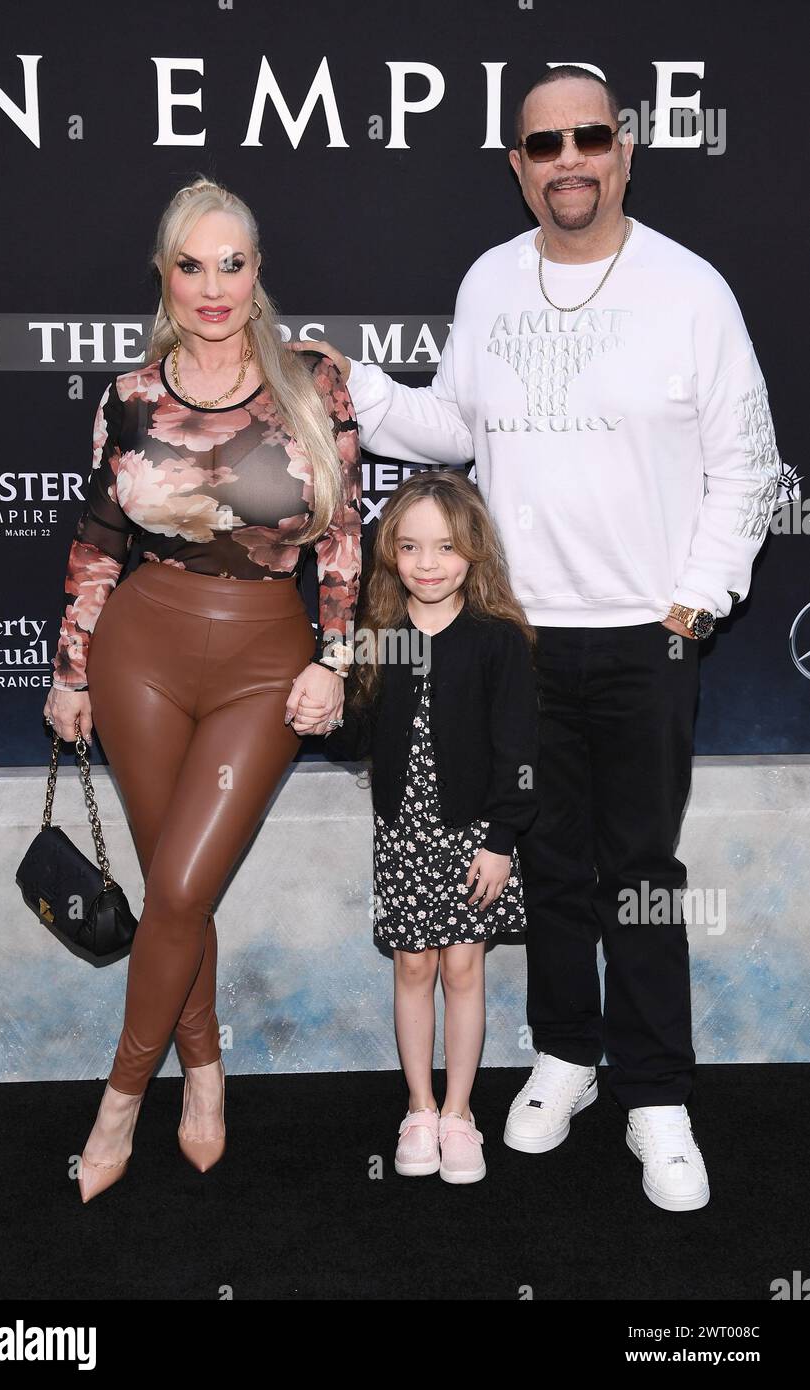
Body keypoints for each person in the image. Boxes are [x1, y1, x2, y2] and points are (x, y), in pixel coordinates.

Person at [292, 66, 781, 1211]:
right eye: (542, 143)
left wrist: (692, 602)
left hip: (645, 639)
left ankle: (655, 1094)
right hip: (515, 644)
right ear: (517, 165)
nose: (567, 158)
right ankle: (564, 1056)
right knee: (545, 866)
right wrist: (351, 381)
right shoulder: (490, 283)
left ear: (625, 151)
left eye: (589, 137)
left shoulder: (690, 289)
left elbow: (746, 461)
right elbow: (451, 425)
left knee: (642, 874)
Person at [43, 175, 362, 1203]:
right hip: (141, 647)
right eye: (192, 264)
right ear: (166, 275)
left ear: (258, 271)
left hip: (268, 658)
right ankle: (207, 1071)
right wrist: (71, 665)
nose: (213, 285)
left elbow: (347, 538)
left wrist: (338, 660)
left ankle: (121, 1098)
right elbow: (98, 538)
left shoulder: (316, 380)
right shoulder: (130, 396)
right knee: (175, 881)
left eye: (233, 263)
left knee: (179, 887)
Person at [314, 470, 538, 1183]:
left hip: (474, 834)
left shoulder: (496, 641)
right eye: (410, 547)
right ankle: (417, 1108)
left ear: (474, 553)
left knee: (464, 967)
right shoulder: (378, 636)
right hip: (403, 833)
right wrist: (326, 701)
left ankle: (460, 1114)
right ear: (389, 555)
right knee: (413, 966)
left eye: (444, 547)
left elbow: (518, 753)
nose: (428, 563)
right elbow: (354, 743)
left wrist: (501, 840)